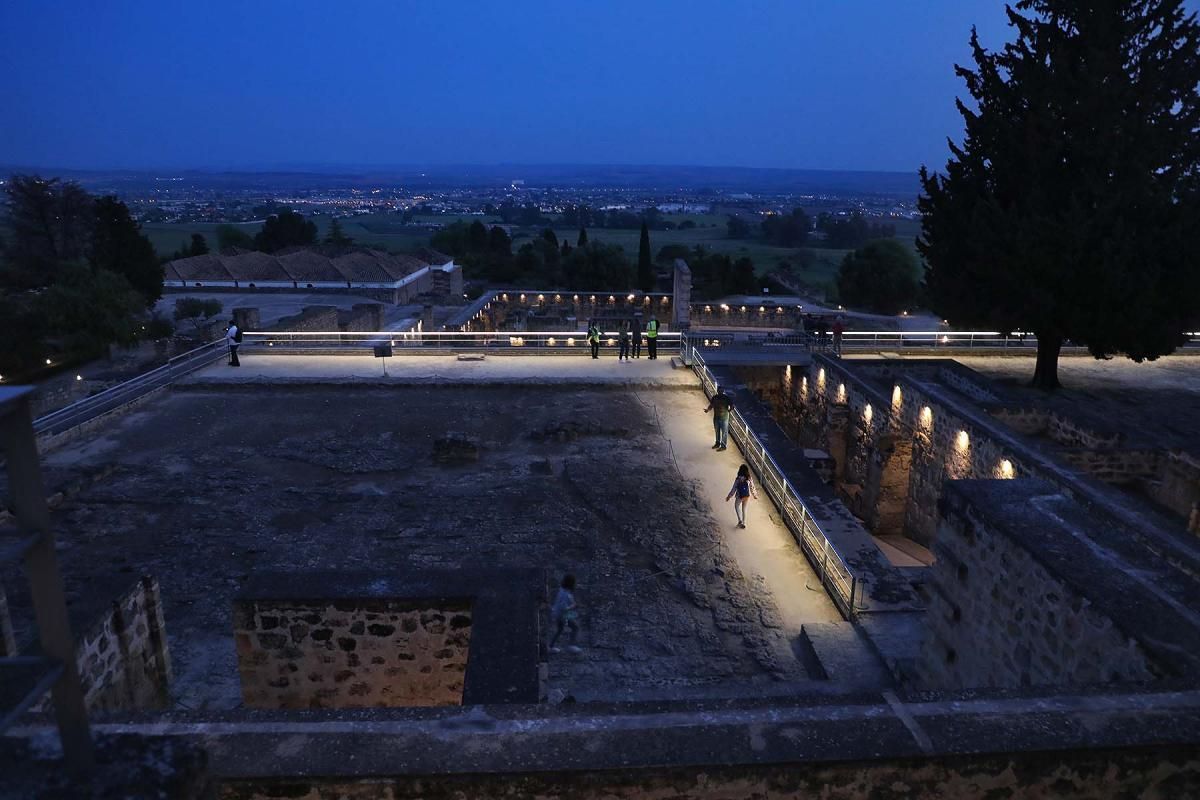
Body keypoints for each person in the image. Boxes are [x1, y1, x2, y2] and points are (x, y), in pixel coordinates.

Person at [548, 574, 582, 654]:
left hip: (558, 614)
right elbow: (564, 608)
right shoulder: (565, 594)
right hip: (563, 615)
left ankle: (550, 647)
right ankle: (571, 645)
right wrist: (574, 606)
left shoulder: (562, 591)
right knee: (575, 627)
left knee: (560, 630)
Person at [725, 464, 759, 529]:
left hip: (739, 495)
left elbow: (734, 488)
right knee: (744, 509)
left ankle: (740, 520)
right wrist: (755, 495)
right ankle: (744, 523)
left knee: (736, 506)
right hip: (746, 496)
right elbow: (752, 487)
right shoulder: (749, 478)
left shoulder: (738, 479)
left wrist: (729, 496)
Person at [704, 386, 733, 451]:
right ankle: (717, 443)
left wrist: (730, 410)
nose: (720, 392)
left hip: (724, 418)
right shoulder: (714, 398)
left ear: (723, 391)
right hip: (716, 417)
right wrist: (707, 410)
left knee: (724, 432)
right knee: (717, 431)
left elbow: (732, 405)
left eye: (721, 391)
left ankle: (723, 446)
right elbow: (711, 405)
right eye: (719, 391)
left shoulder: (726, 398)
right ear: (717, 391)